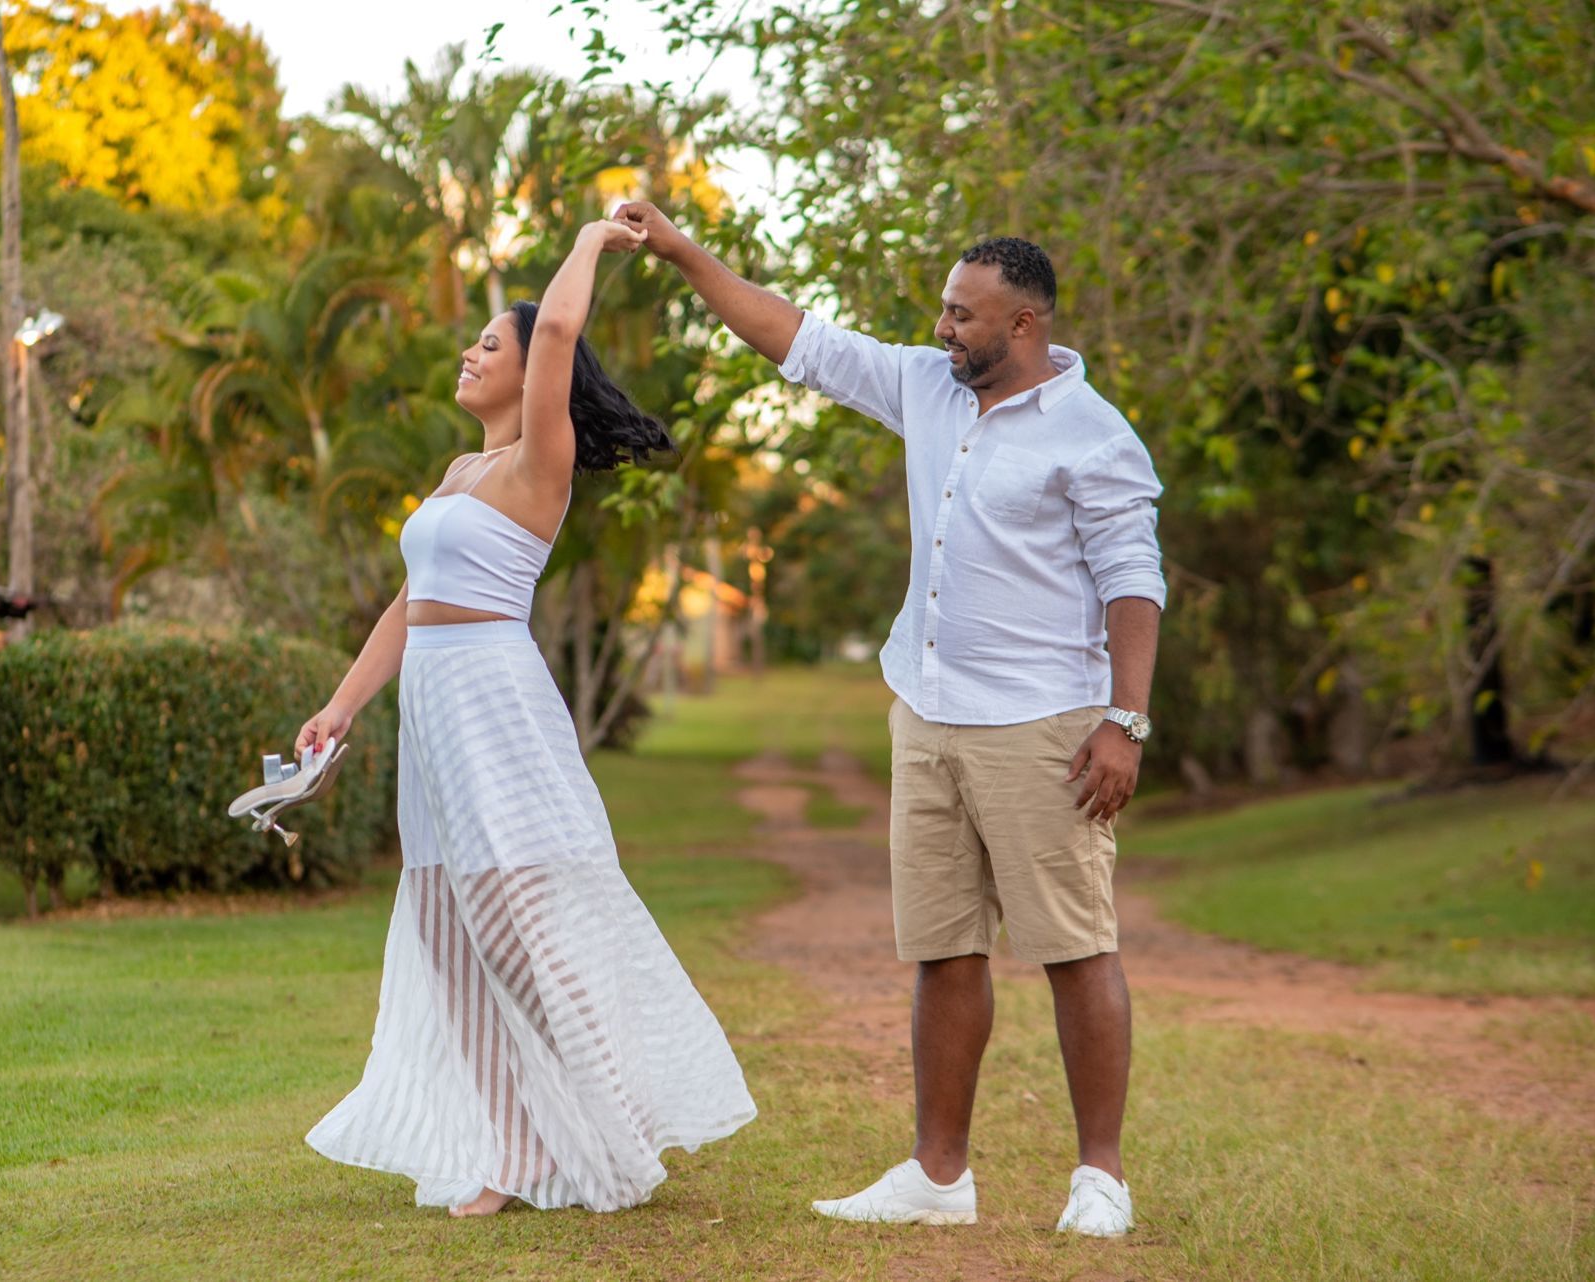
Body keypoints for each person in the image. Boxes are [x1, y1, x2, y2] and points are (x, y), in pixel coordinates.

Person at [616, 201, 1163, 1237]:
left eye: (964, 315)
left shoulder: (1093, 435)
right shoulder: (925, 386)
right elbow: (794, 337)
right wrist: (685, 253)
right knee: (944, 948)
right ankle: (937, 1175)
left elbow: (1136, 581)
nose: (944, 328)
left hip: (1045, 725)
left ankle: (1101, 1177)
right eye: (944, 311)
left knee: (1075, 946)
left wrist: (1123, 722)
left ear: (1025, 326)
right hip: (928, 713)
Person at [295, 218, 756, 1218]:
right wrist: (339, 706)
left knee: (514, 927)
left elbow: (556, 338)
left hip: (496, 707)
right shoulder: (459, 475)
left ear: (530, 370)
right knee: (450, 933)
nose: (472, 352)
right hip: (433, 717)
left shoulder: (537, 461)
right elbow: (406, 607)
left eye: (488, 344)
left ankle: (616, 1115)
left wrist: (592, 239)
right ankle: (507, 1150)